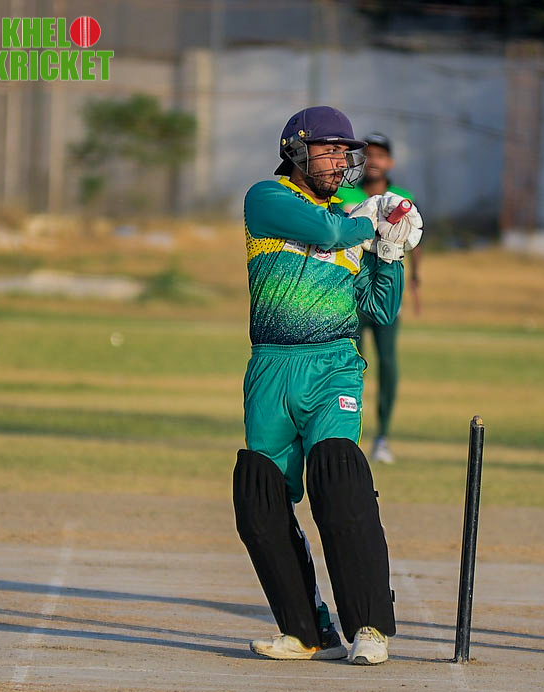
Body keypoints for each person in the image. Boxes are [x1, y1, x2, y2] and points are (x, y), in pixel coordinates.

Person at [233, 105, 423, 666]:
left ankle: (369, 625)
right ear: (296, 150)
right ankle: (306, 630)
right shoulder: (266, 199)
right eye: (329, 150)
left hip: (333, 364)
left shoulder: (349, 217)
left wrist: (390, 253)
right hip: (271, 368)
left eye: (346, 152)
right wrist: (373, 221)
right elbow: (327, 230)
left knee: (339, 475)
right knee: (260, 497)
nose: (341, 161)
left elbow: (379, 309)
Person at [336, 133, 420, 464]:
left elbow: (413, 241)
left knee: (387, 364)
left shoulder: (402, 197)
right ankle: (346, 434)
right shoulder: (344, 193)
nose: (374, 161)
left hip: (385, 295)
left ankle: (382, 436)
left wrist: (415, 278)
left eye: (381, 155)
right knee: (349, 365)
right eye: (368, 154)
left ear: (391, 162)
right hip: (351, 296)